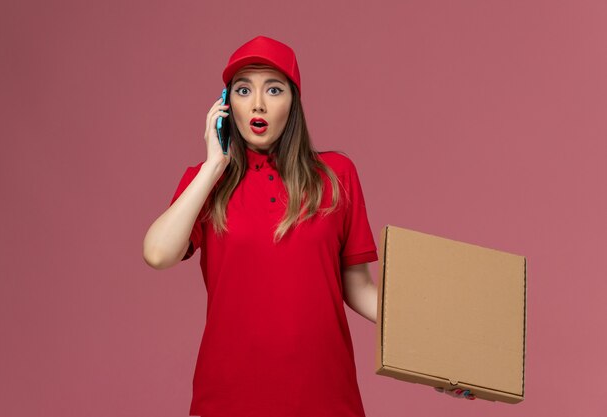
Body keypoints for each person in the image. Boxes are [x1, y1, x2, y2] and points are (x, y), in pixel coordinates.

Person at [143, 35, 472, 417]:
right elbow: (157, 253)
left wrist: (442, 351)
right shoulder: (204, 184)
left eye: (274, 89)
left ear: (293, 103)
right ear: (225, 103)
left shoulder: (336, 176)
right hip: (229, 400)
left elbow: (360, 289)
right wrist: (214, 165)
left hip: (326, 399)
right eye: (244, 89)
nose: (258, 104)